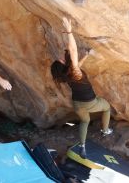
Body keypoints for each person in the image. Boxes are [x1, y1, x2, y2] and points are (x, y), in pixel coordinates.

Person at [51, 17, 112, 158]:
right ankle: (106, 130)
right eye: (59, 60)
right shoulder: (73, 71)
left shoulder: (67, 75)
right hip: (90, 103)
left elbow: (77, 67)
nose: (61, 58)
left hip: (77, 104)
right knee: (107, 107)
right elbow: (72, 49)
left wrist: (86, 56)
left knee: (85, 121)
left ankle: (82, 145)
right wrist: (69, 31)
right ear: (63, 66)